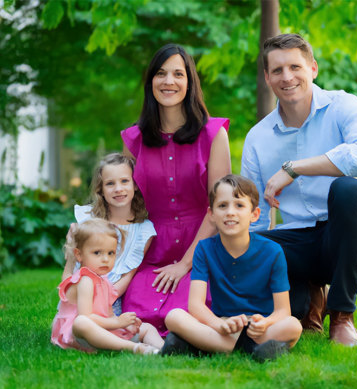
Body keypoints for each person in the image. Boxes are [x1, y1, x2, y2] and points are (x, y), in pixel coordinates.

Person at [241, 33, 357, 347]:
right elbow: (254, 215)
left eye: (295, 67)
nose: (287, 77)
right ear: (267, 77)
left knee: (348, 190)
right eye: (277, 70)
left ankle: (342, 314)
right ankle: (306, 304)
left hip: (355, 241)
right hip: (299, 243)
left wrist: (294, 168)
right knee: (241, 243)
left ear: (313, 69)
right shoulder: (257, 138)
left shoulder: (344, 105)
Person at [120, 43, 231, 335]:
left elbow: (220, 207)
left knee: (188, 309)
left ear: (190, 82)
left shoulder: (213, 134)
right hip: (152, 252)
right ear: (150, 83)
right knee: (138, 313)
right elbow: (125, 205)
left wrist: (184, 264)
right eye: (161, 73)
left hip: (203, 247)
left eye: (178, 74)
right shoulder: (134, 139)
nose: (169, 81)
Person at [162, 175, 302, 361]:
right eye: (222, 206)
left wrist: (265, 322)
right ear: (211, 214)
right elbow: (195, 305)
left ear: (254, 214)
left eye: (239, 205)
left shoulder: (273, 251)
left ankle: (204, 345)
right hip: (222, 324)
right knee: (174, 316)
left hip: (257, 327)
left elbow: (283, 311)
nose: (230, 212)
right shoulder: (204, 249)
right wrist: (219, 326)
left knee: (293, 326)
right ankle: (256, 349)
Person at [51, 218, 164, 354]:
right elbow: (87, 317)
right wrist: (118, 323)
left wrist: (125, 324)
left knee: (147, 327)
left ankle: (165, 349)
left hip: (102, 329)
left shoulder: (104, 280)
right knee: (81, 322)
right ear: (79, 255)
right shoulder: (85, 280)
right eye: (97, 253)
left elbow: (108, 315)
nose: (105, 259)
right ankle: (134, 348)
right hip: (80, 334)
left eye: (110, 253)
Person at [63, 153, 156, 316]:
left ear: (135, 184)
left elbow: (127, 278)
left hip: (110, 301)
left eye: (125, 181)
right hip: (78, 295)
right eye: (110, 183)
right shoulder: (88, 219)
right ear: (101, 189)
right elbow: (71, 268)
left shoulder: (143, 231)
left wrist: (103, 302)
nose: (118, 189)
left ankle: (141, 342)